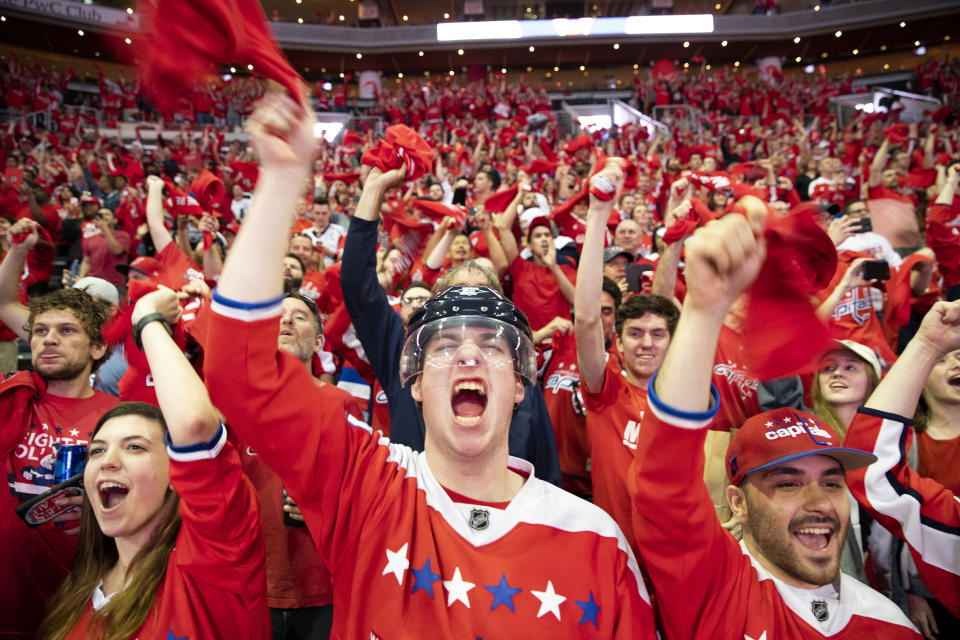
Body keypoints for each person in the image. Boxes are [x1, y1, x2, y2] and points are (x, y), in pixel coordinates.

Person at [204, 92, 654, 637]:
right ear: (413, 384)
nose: (468, 352)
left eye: (491, 345)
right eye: (444, 346)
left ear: (519, 386)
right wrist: (279, 179)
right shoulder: (363, 483)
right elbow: (238, 370)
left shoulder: (596, 539)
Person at [632, 204, 920, 638]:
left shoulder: (893, 626)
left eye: (832, 482)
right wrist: (703, 310)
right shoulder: (714, 587)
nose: (819, 501)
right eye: (787, 483)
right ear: (738, 503)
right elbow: (664, 482)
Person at [38, 287, 270, 639]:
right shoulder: (79, 588)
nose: (107, 461)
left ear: (178, 474)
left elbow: (194, 423)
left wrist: (146, 317)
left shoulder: (215, 563)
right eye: (97, 451)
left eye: (134, 447)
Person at [340, 159, 560, 483]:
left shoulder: (520, 381)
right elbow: (359, 286)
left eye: (482, 298)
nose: (469, 309)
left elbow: (547, 482)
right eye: (456, 297)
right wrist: (373, 189)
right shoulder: (404, 356)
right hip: (416, 521)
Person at [0, 277, 119, 636]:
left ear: (97, 347)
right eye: (40, 331)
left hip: (79, 598)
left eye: (67, 330)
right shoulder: (9, 398)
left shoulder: (121, 418)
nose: (48, 339)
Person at [239, 292, 361, 639]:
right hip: (254, 583)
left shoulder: (341, 405)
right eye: (279, 316)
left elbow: (361, 491)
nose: (287, 320)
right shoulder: (240, 406)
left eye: (300, 316)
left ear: (320, 341)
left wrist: (325, 507)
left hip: (321, 585)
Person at [845, 301, 960, 624]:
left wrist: (929, 346)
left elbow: (870, 471)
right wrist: (926, 346)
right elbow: (870, 468)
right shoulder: (909, 443)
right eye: (943, 360)